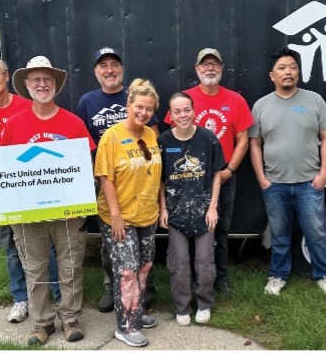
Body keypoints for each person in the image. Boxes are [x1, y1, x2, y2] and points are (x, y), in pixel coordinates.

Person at [0, 56, 95, 345]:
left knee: (70, 265)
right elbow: (4, 168)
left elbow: (88, 165)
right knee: (35, 268)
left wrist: (84, 188)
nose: (42, 84)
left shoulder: (74, 123)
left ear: (54, 84)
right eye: (36, 80)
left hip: (68, 210)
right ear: (27, 85)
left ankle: (70, 318)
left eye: (47, 79)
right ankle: (42, 322)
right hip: (27, 211)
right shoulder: (13, 125)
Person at [0, 55, 61, 324]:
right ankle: (21, 299)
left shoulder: (27, 105)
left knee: (47, 245)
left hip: (33, 187)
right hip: (3, 190)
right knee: (12, 247)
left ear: (7, 76)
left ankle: (57, 296)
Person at [249, 49, 326, 297]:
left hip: (309, 183)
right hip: (274, 183)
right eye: (282, 68)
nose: (287, 72)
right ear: (272, 75)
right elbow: (254, 143)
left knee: (317, 233)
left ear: (298, 72)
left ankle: (324, 275)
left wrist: (323, 174)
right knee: (279, 234)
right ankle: (278, 275)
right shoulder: (261, 106)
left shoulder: (314, 101)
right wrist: (261, 178)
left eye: (292, 67)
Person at [75, 47, 159, 313]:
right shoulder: (87, 101)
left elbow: (153, 136)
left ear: (121, 69)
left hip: (137, 176)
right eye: (103, 65)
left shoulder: (135, 97)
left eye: (114, 64)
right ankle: (111, 287)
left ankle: (145, 288)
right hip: (104, 177)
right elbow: (81, 141)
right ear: (95, 72)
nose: (109, 70)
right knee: (113, 237)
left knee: (143, 241)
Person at [165, 48, 253, 295]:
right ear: (197, 69)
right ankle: (195, 278)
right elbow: (172, 135)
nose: (210, 68)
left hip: (223, 177)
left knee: (220, 229)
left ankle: (220, 278)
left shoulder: (235, 100)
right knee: (192, 228)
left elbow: (243, 140)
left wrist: (230, 170)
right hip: (190, 179)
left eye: (215, 63)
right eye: (205, 64)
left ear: (222, 68)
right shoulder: (185, 100)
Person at [95, 78, 162, 347]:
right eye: (139, 107)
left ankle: (135, 310)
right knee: (126, 270)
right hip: (120, 217)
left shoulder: (150, 135)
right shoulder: (111, 137)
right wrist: (115, 216)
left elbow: (154, 173)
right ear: (128, 105)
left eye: (149, 109)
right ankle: (126, 326)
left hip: (147, 213)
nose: (143, 112)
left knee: (144, 267)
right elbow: (105, 177)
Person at [158, 92, 224, 326]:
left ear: (194, 111)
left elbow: (217, 174)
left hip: (204, 213)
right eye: (177, 111)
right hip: (176, 214)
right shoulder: (163, 142)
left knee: (205, 262)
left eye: (187, 110)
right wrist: (163, 208)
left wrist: (213, 208)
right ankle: (182, 307)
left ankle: (204, 303)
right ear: (170, 115)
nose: (183, 115)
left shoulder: (208, 138)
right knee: (179, 263)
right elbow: (160, 179)